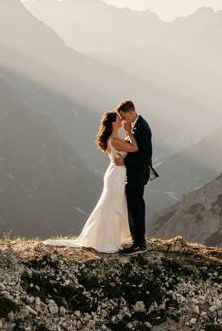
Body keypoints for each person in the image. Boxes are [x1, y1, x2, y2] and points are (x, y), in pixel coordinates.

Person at [42, 111, 139, 253]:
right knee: (112, 206)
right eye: (119, 119)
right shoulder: (114, 140)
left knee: (113, 205)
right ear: (113, 122)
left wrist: (126, 134)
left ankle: (109, 237)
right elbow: (134, 148)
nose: (122, 120)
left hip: (116, 173)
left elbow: (126, 147)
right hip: (116, 175)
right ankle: (105, 239)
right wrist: (129, 131)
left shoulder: (115, 138)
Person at [115, 99, 152, 254]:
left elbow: (146, 154)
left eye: (124, 117)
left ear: (131, 112)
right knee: (132, 206)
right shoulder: (135, 124)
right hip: (134, 173)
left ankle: (139, 243)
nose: (123, 120)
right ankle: (136, 239)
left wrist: (126, 161)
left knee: (136, 207)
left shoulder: (142, 127)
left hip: (137, 174)